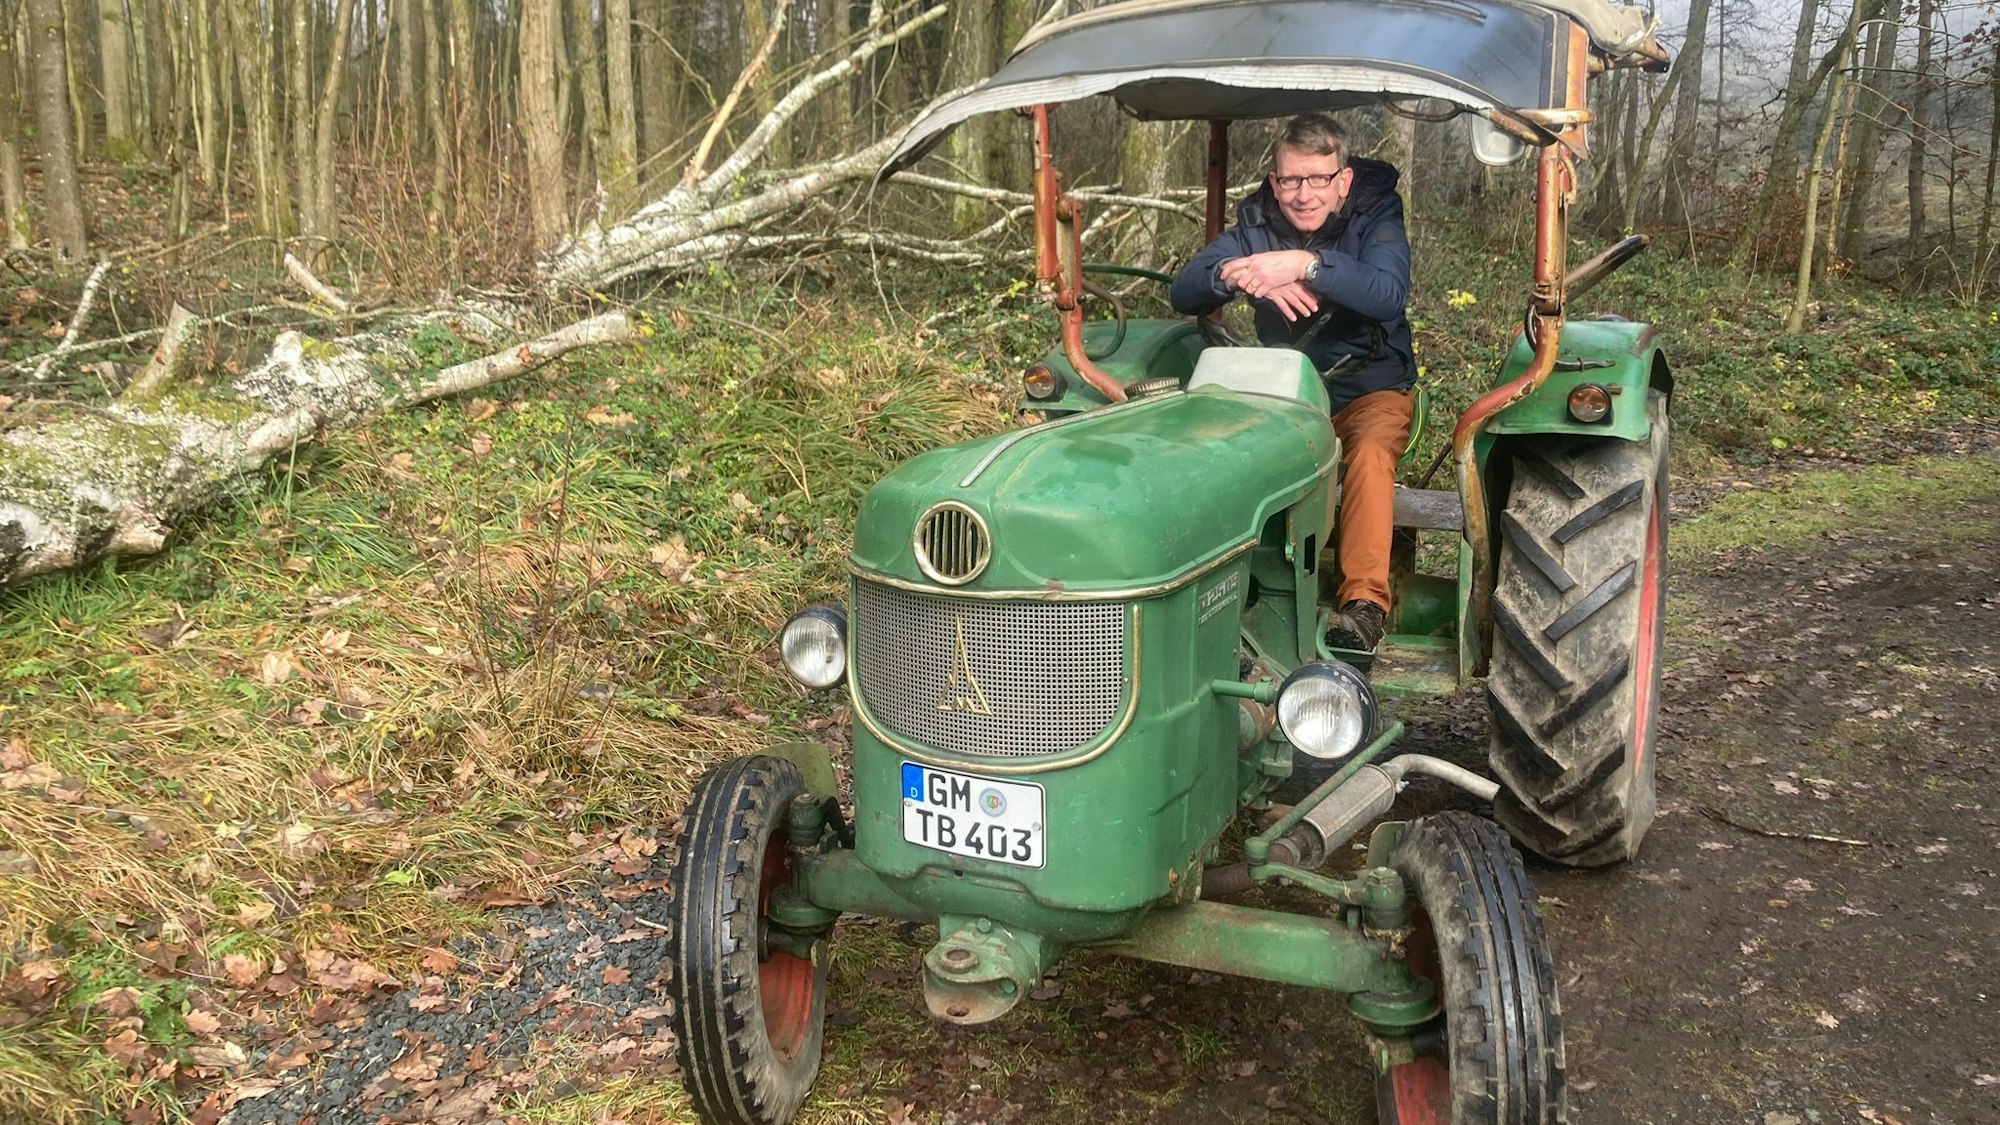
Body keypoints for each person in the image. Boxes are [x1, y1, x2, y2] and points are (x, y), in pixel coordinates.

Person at [1170, 113, 1415, 653]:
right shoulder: (1256, 224)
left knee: (1371, 455)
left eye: (1317, 179)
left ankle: (1364, 607)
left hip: (1368, 388)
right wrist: (1230, 273)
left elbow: (1386, 293)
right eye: (1289, 180)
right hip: (1284, 395)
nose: (1303, 195)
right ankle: (1220, 599)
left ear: (1342, 180)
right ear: (1275, 180)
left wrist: (1304, 265)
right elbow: (1183, 292)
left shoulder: (1375, 215)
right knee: (1216, 453)